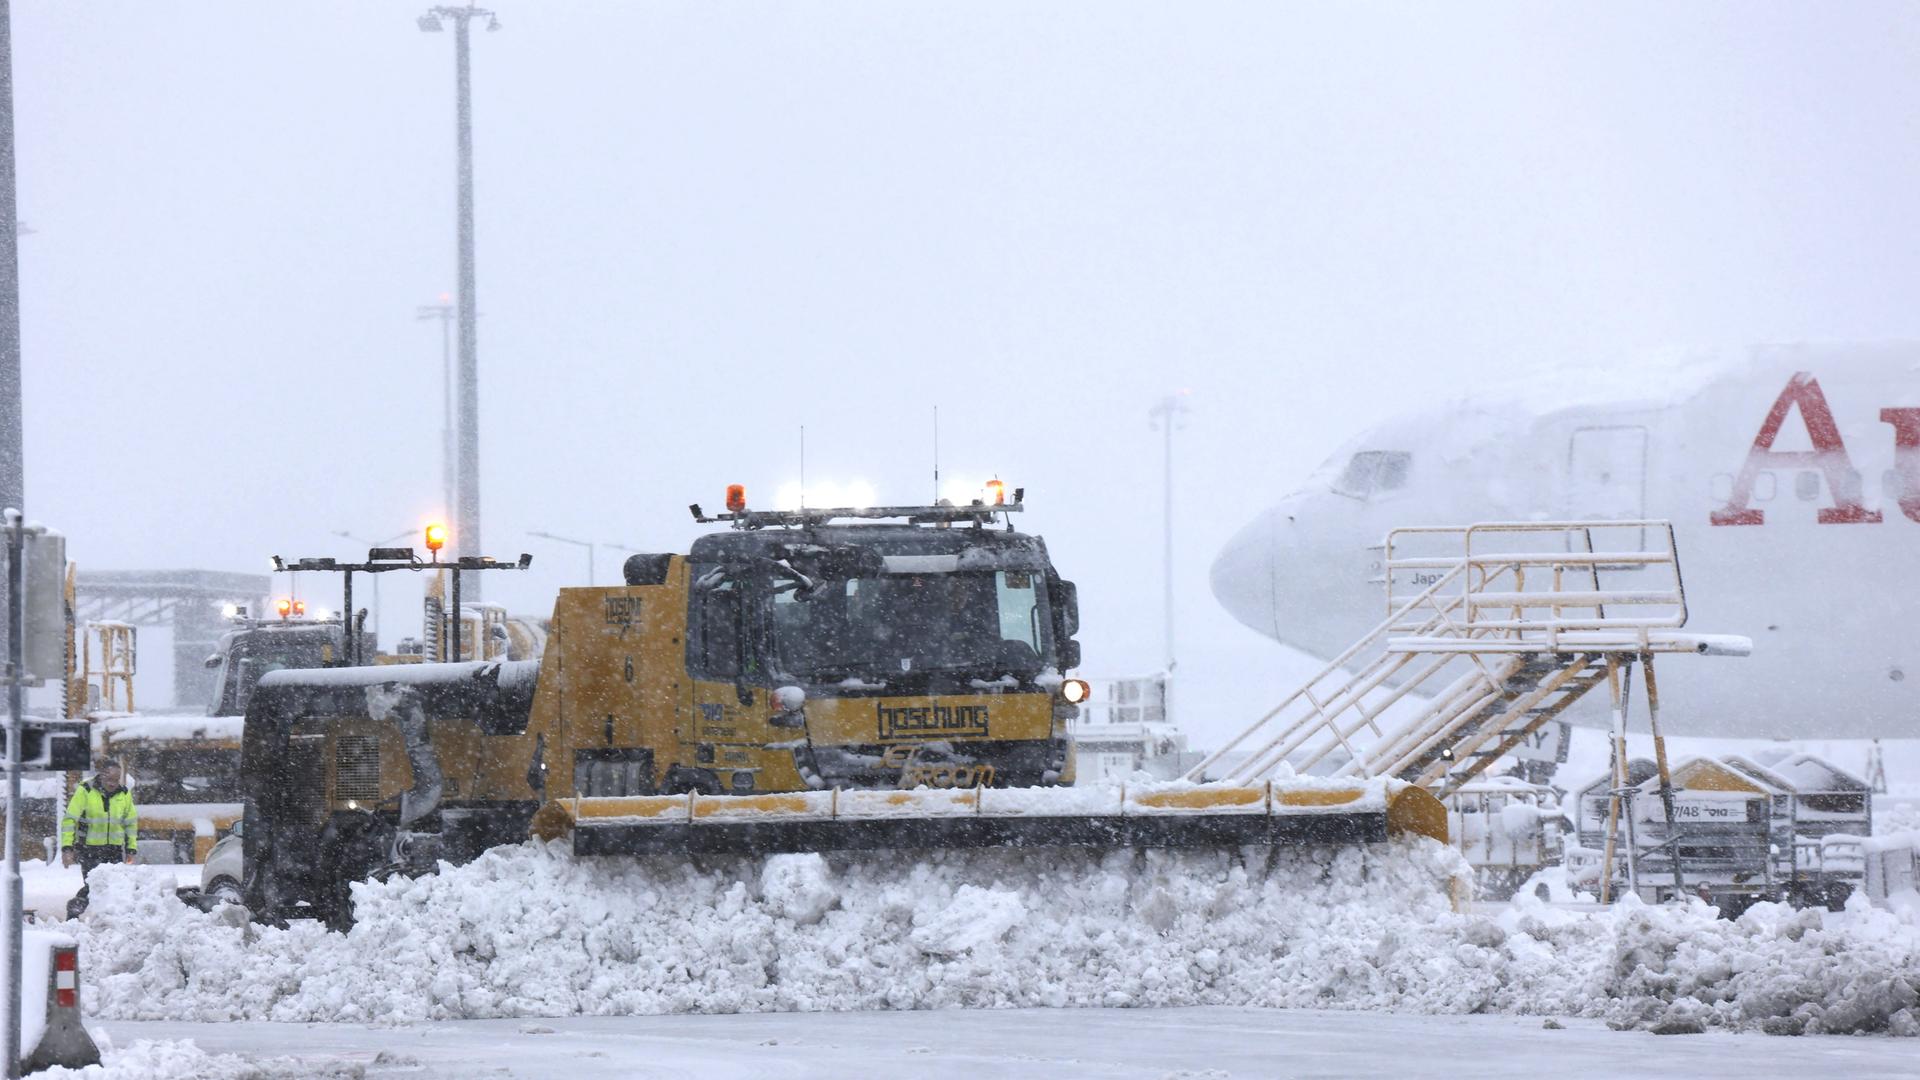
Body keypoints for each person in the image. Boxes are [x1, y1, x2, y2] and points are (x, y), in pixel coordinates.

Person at [60, 761, 138, 918]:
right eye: (109, 779)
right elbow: (69, 821)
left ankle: (110, 919)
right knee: (94, 886)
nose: (112, 783)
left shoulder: (124, 794)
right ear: (101, 775)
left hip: (114, 849)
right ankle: (74, 911)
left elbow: (130, 823)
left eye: (116, 780)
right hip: (89, 849)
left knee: (113, 886)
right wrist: (67, 848)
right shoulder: (86, 791)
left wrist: (131, 849)